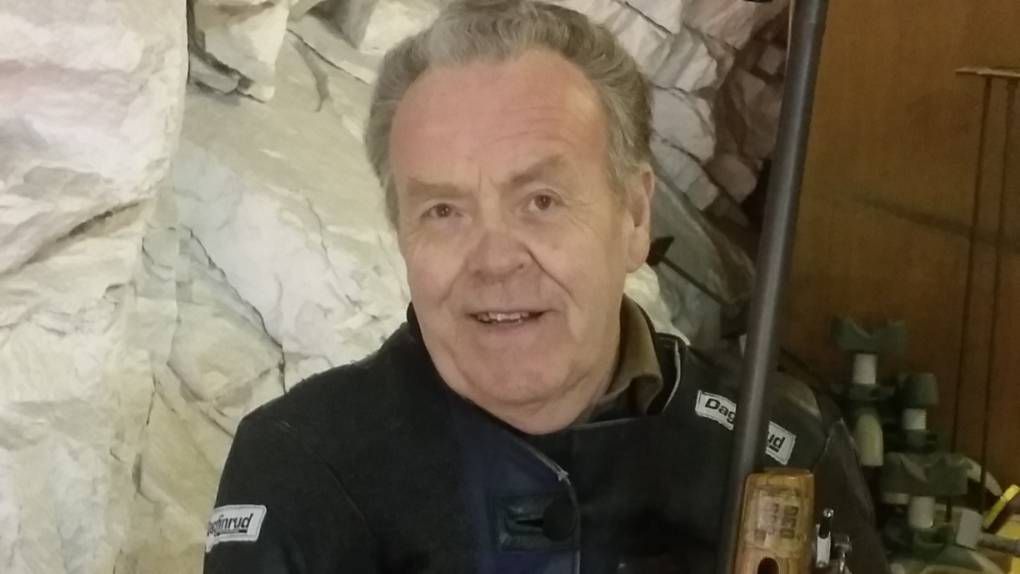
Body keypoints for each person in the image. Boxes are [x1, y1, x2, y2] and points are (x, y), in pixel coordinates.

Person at [204, 1, 889, 572]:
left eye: (541, 201)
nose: (495, 260)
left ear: (634, 216)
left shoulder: (776, 456)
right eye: (443, 211)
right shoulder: (303, 467)